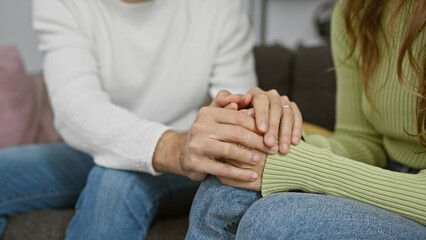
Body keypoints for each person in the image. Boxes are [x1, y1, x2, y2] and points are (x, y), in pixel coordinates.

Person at [0, 0, 304, 239]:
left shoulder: (219, 5)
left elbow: (235, 105)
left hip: (188, 155)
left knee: (118, 179)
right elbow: (76, 108)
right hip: (113, 144)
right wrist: (173, 148)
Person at [186, 0, 426, 239]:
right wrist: (273, 142)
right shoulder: (355, 8)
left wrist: (297, 165)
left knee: (273, 222)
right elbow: (363, 141)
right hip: (391, 171)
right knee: (226, 185)